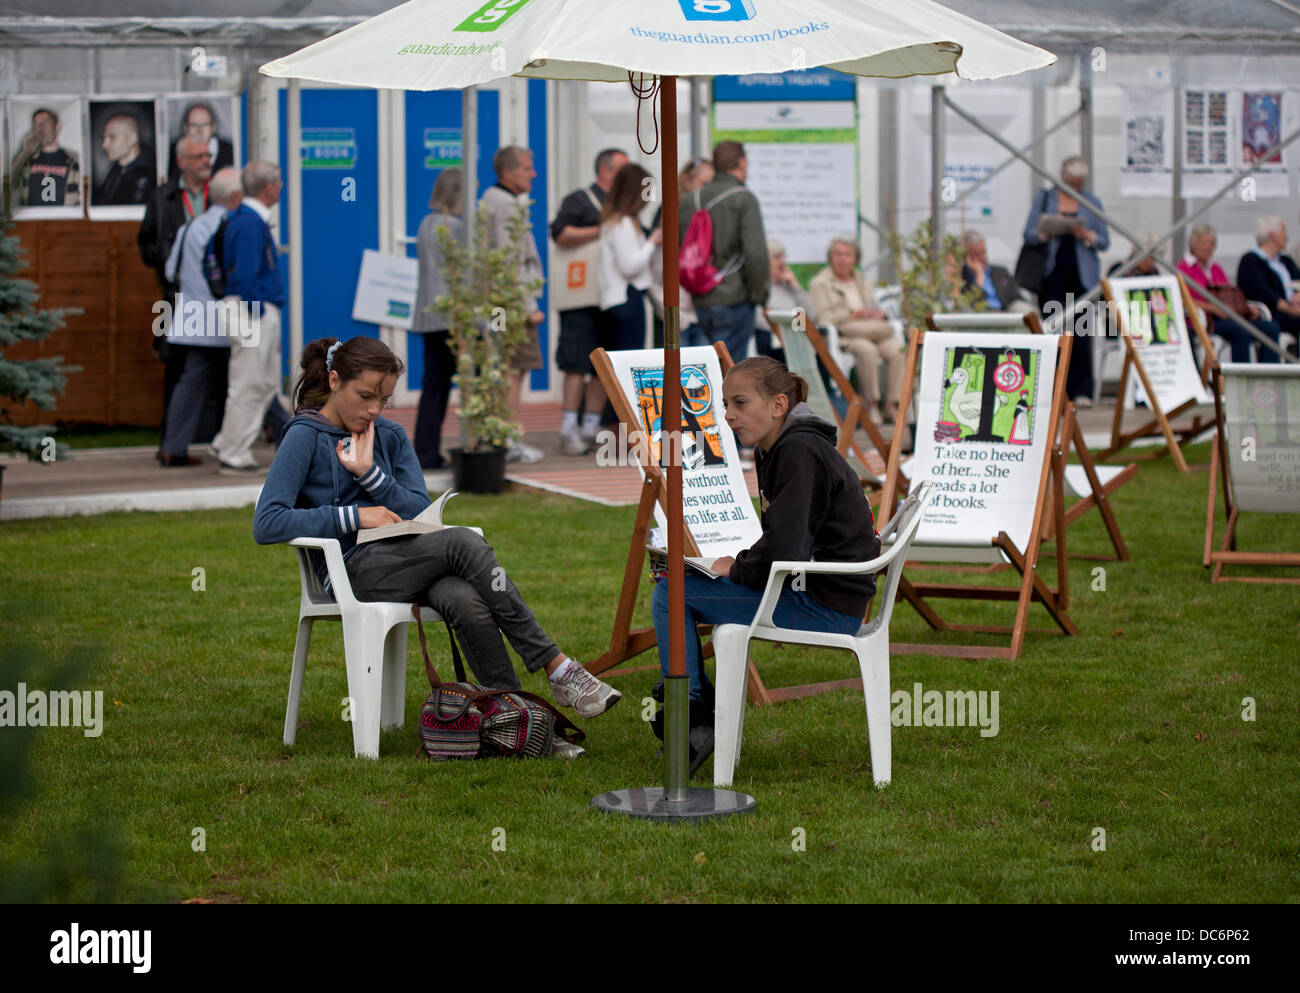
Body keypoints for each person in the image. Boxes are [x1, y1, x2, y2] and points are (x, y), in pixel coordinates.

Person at [252, 336, 622, 755]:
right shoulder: (304, 435)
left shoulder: (387, 435)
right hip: (351, 571)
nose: (374, 409)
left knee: (462, 596)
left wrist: (370, 475)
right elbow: (267, 522)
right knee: (464, 542)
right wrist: (356, 515)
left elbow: (417, 507)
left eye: (384, 399)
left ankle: (524, 726)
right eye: (366, 396)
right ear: (335, 381)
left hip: (407, 559)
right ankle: (558, 669)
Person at [649, 356, 879, 772]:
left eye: (740, 403)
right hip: (822, 591)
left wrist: (736, 569)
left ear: (777, 405)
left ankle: (693, 719)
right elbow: (787, 537)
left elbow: (786, 548)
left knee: (671, 592)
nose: (728, 416)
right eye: (723, 405)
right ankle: (694, 703)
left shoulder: (798, 451)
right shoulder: (782, 446)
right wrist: (736, 566)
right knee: (679, 581)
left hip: (825, 605)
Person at [155, 167, 243, 466]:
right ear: (236, 196)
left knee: (190, 384)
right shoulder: (237, 225)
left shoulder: (190, 227)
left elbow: (170, 272)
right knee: (253, 380)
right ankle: (287, 440)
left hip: (193, 318)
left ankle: (173, 446)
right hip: (231, 316)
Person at [211, 161, 288, 476]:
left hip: (248, 309)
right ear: (268, 187)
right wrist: (256, 311)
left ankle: (226, 441)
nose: (281, 186)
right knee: (249, 383)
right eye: (279, 181)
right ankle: (234, 453)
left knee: (263, 382)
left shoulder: (243, 220)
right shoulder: (250, 223)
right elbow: (245, 275)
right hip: (250, 310)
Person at [139, 135, 215, 449]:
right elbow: (145, 244)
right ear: (181, 161)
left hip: (217, 296)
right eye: (198, 157)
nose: (205, 161)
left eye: (207, 155)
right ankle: (171, 439)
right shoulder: (162, 198)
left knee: (223, 366)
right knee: (177, 365)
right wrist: (170, 255)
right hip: (175, 296)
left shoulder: (221, 195)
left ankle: (215, 436)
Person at [551, 148, 627, 456]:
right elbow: (560, 233)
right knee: (575, 363)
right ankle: (569, 426)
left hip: (608, 298)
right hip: (580, 298)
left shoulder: (622, 206)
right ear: (606, 170)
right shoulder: (579, 200)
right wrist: (602, 230)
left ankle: (591, 425)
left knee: (601, 365)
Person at [1023, 155, 1109, 406]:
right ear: (1061, 177)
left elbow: (1104, 241)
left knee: (1081, 333)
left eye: (1079, 184)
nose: (1075, 188)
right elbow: (1028, 234)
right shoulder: (1046, 198)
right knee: (1054, 330)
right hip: (1053, 276)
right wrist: (1047, 232)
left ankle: (1081, 390)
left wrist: (1086, 235)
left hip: (1082, 278)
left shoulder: (1092, 202)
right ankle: (1053, 388)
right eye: (1071, 182)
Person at [480, 145, 546, 465]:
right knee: (511, 368)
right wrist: (527, 305)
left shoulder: (493, 200)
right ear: (507, 172)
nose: (533, 173)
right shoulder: (506, 205)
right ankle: (505, 440)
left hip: (499, 304)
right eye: (526, 167)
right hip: (508, 304)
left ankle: (500, 436)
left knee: (504, 366)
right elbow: (509, 262)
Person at [677, 140, 769, 363]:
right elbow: (755, 254)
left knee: (705, 368)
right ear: (742, 163)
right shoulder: (744, 198)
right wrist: (759, 295)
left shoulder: (689, 201)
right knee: (732, 369)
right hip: (734, 296)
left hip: (700, 298)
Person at [809, 235, 904, 424]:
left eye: (847, 255)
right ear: (831, 258)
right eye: (838, 255)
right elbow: (823, 318)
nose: (843, 259)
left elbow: (873, 305)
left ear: (855, 258)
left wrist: (875, 314)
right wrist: (853, 314)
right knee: (867, 349)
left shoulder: (860, 278)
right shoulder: (820, 283)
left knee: (897, 351)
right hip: (846, 334)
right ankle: (872, 405)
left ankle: (892, 405)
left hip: (869, 329)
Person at [411, 168, 463, 469]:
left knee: (433, 386)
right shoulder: (454, 228)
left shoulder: (425, 224)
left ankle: (425, 450)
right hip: (452, 316)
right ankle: (476, 445)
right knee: (470, 382)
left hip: (429, 315)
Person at [1179, 223, 1282, 364]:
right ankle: (1243, 379)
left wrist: (1245, 307)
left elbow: (1230, 295)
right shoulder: (1184, 269)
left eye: (1211, 244)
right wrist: (1212, 308)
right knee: (1240, 331)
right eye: (1204, 243)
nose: (1208, 248)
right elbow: (1182, 300)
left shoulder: (1215, 268)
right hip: (1205, 320)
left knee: (1270, 328)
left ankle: (1269, 378)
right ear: (1194, 244)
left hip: (1229, 316)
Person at [649, 155, 714, 349]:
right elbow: (655, 269)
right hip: (675, 312)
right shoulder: (669, 212)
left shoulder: (706, 212)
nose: (707, 190)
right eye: (704, 183)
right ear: (687, 180)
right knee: (674, 372)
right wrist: (667, 309)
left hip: (700, 310)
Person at [599, 162, 662, 352]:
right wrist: (652, 242)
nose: (648, 198)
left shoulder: (617, 221)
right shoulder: (623, 223)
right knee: (629, 364)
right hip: (626, 300)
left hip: (621, 301)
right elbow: (629, 266)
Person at [1237, 215, 1300, 358]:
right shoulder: (1251, 261)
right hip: (1273, 315)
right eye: (1283, 231)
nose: (1287, 236)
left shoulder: (1286, 261)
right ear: (1272, 235)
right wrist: (1288, 307)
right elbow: (1262, 292)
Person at [754, 238, 815, 360]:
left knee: (818, 353)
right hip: (772, 339)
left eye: (783, 257)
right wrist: (790, 327)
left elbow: (812, 316)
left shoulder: (788, 286)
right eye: (777, 257)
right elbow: (759, 320)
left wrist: (796, 287)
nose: (782, 261)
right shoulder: (758, 286)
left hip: (796, 335)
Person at [10, 107, 80, 208]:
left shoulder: (74, 161)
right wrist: (25, 152)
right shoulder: (28, 160)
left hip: (62, 221)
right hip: (32, 221)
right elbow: (10, 184)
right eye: (36, 124)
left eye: (45, 123)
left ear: (57, 127)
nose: (40, 128)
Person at [960, 231, 1029, 313]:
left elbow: (1018, 297)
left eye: (983, 252)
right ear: (967, 257)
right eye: (976, 254)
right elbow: (972, 305)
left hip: (1006, 313)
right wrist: (979, 278)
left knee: (1023, 309)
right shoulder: (962, 279)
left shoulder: (1000, 272)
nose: (982, 257)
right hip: (983, 317)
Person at [95, 112, 154, 205]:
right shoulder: (116, 169)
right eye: (104, 138)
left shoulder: (149, 175)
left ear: (132, 139)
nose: (104, 145)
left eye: (112, 137)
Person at [167, 102, 235, 183]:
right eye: (194, 125)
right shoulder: (173, 152)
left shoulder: (229, 151)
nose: (199, 130)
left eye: (205, 125)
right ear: (185, 128)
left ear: (213, 127)